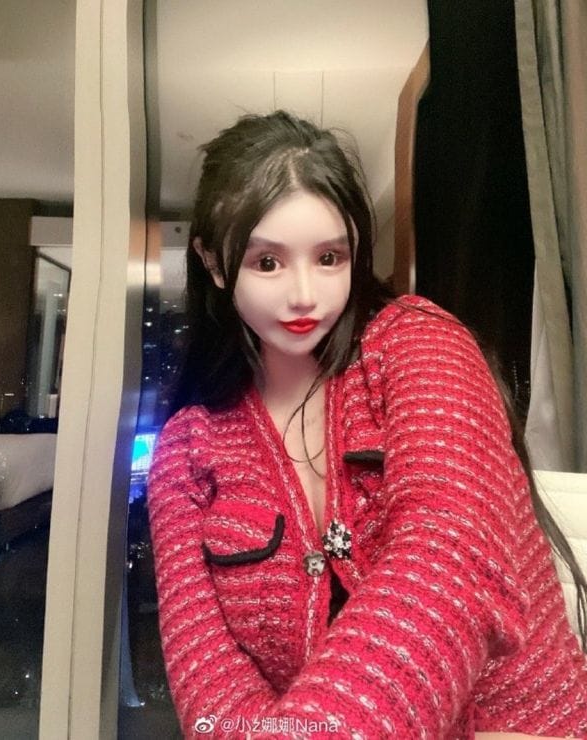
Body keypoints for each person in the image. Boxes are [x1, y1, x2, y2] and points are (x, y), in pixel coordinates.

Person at [147, 110, 587, 739]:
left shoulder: (420, 346)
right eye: (267, 263)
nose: (304, 294)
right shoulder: (188, 448)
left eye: (330, 257)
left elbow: (449, 557)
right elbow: (206, 677)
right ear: (214, 264)